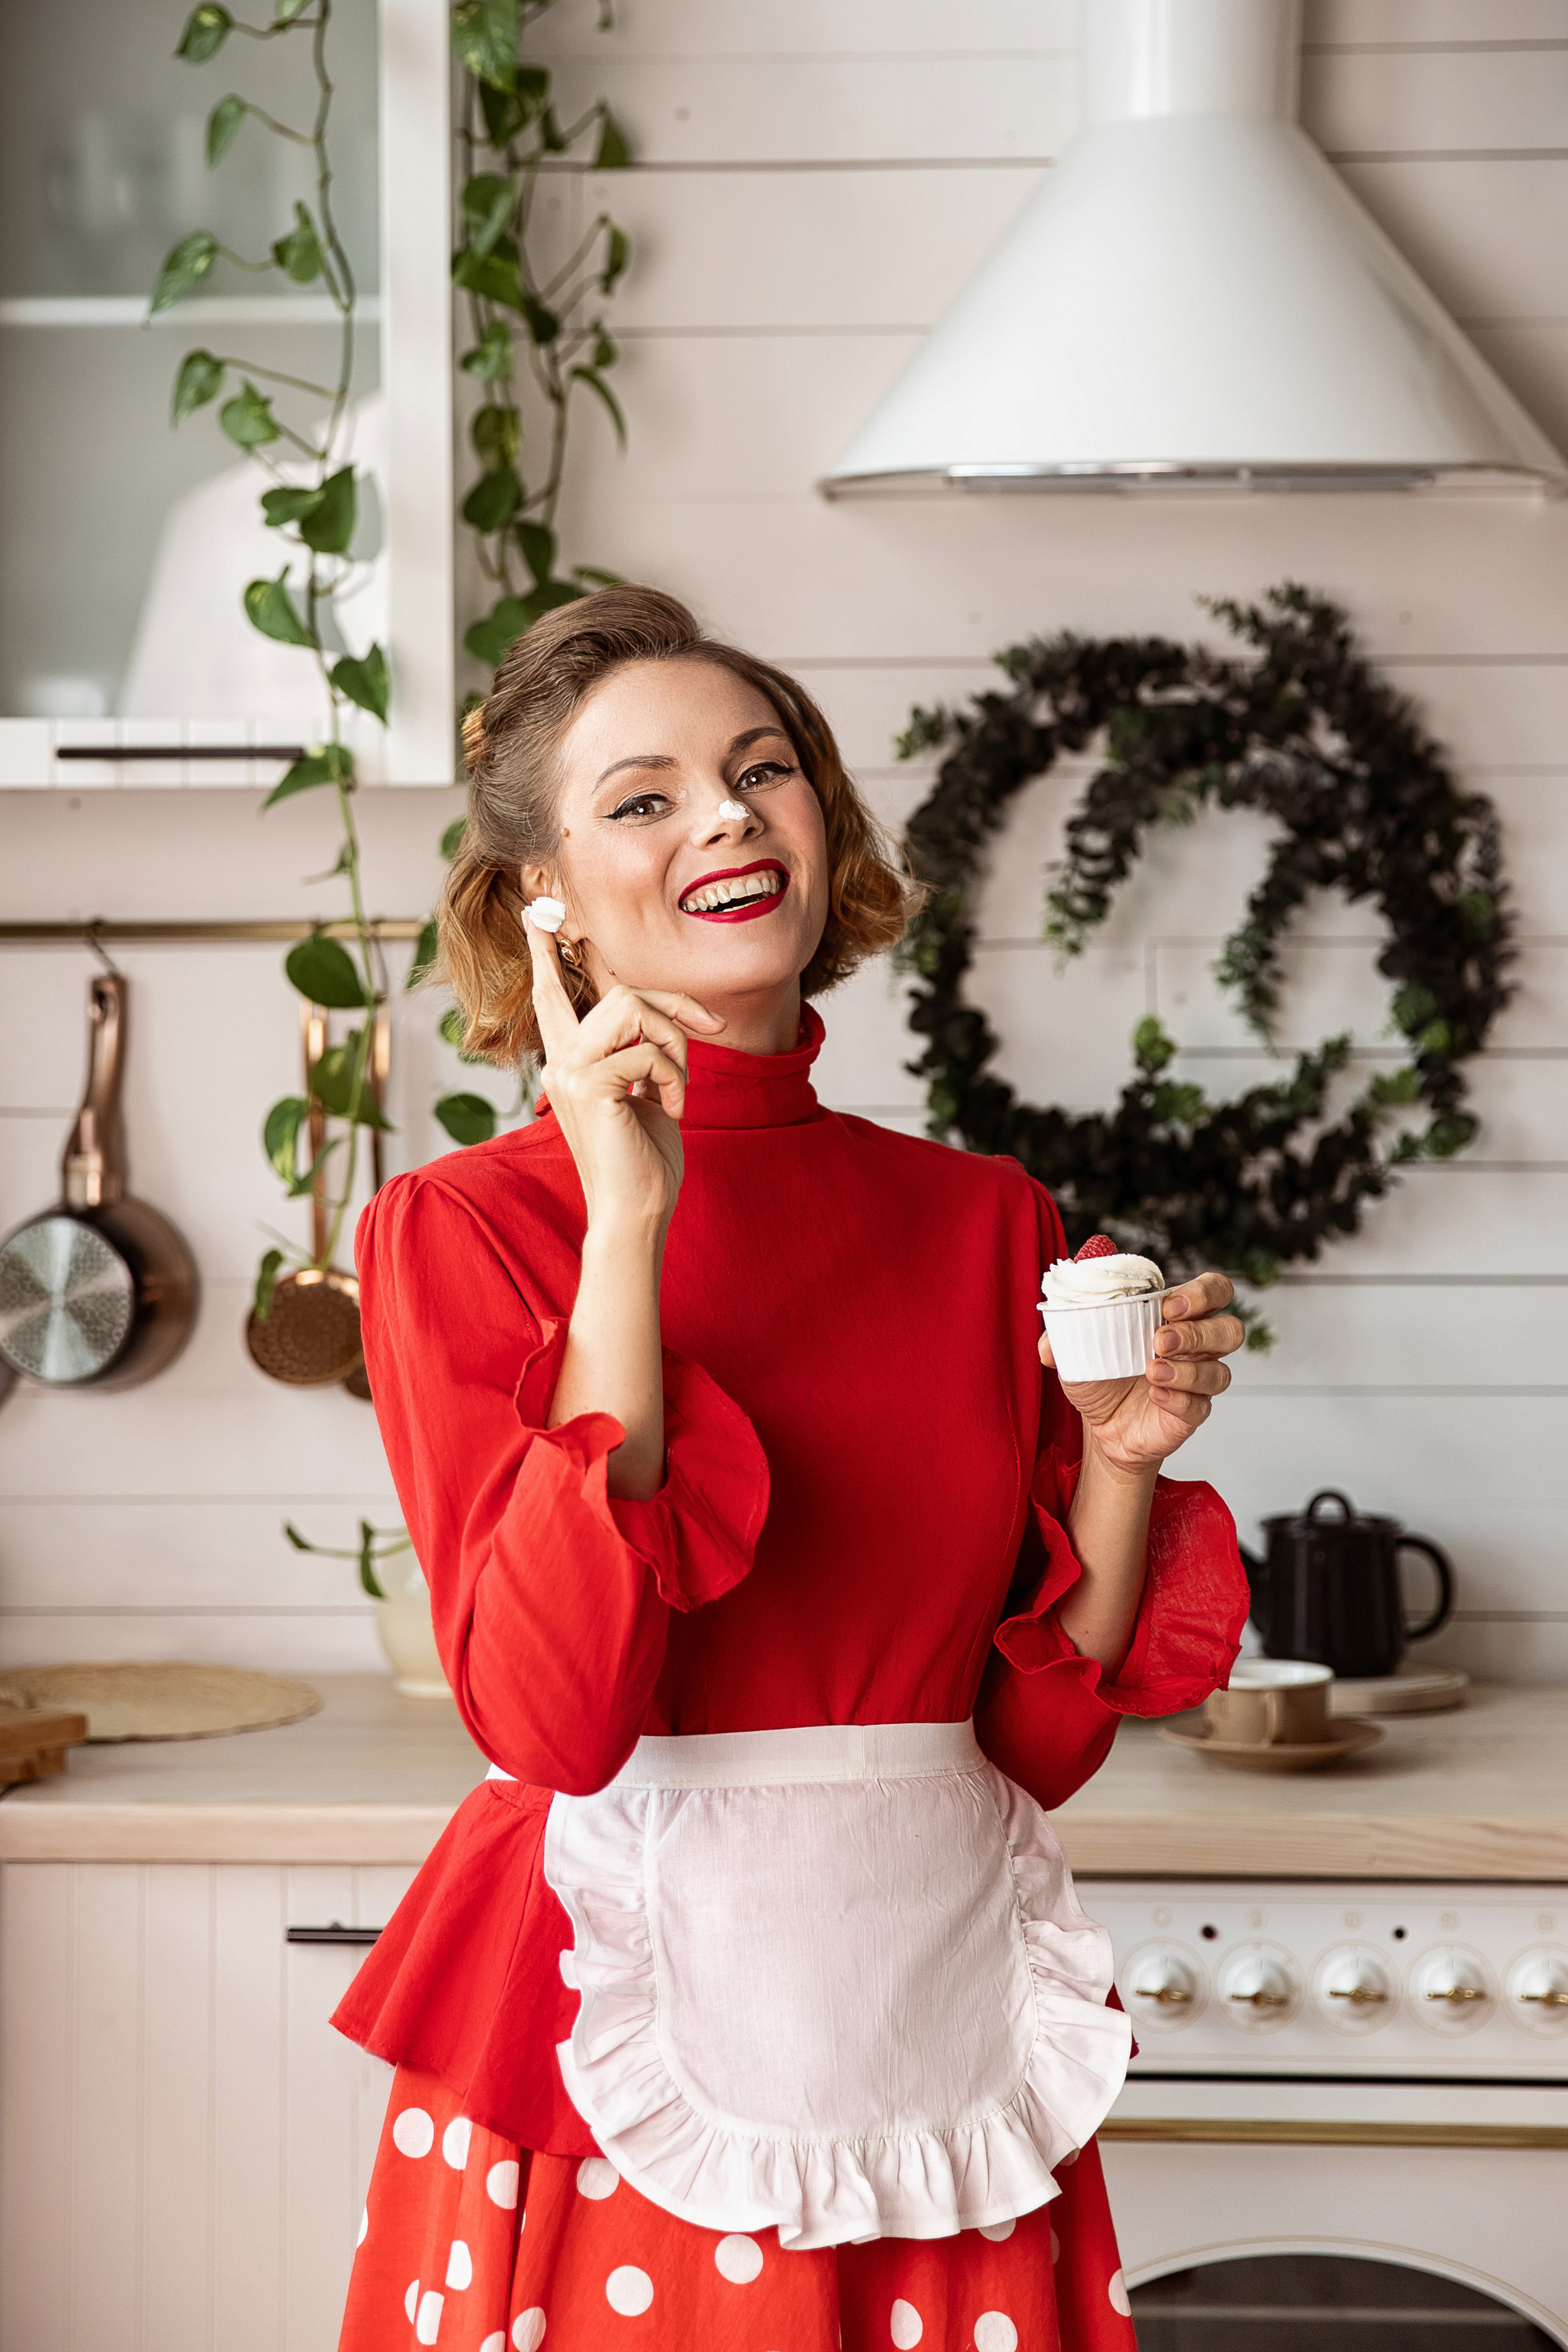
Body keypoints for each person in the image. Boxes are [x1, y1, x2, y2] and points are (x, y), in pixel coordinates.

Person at [334, 586, 1248, 2352]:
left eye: (764, 771)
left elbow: (1034, 1754)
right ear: (546, 905)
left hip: (934, 2024)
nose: (730, 816)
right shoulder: (459, 1229)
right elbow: (553, 1724)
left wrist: (1121, 1466)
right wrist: (626, 1222)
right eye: (645, 796)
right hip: (610, 2070)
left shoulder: (987, 1223)